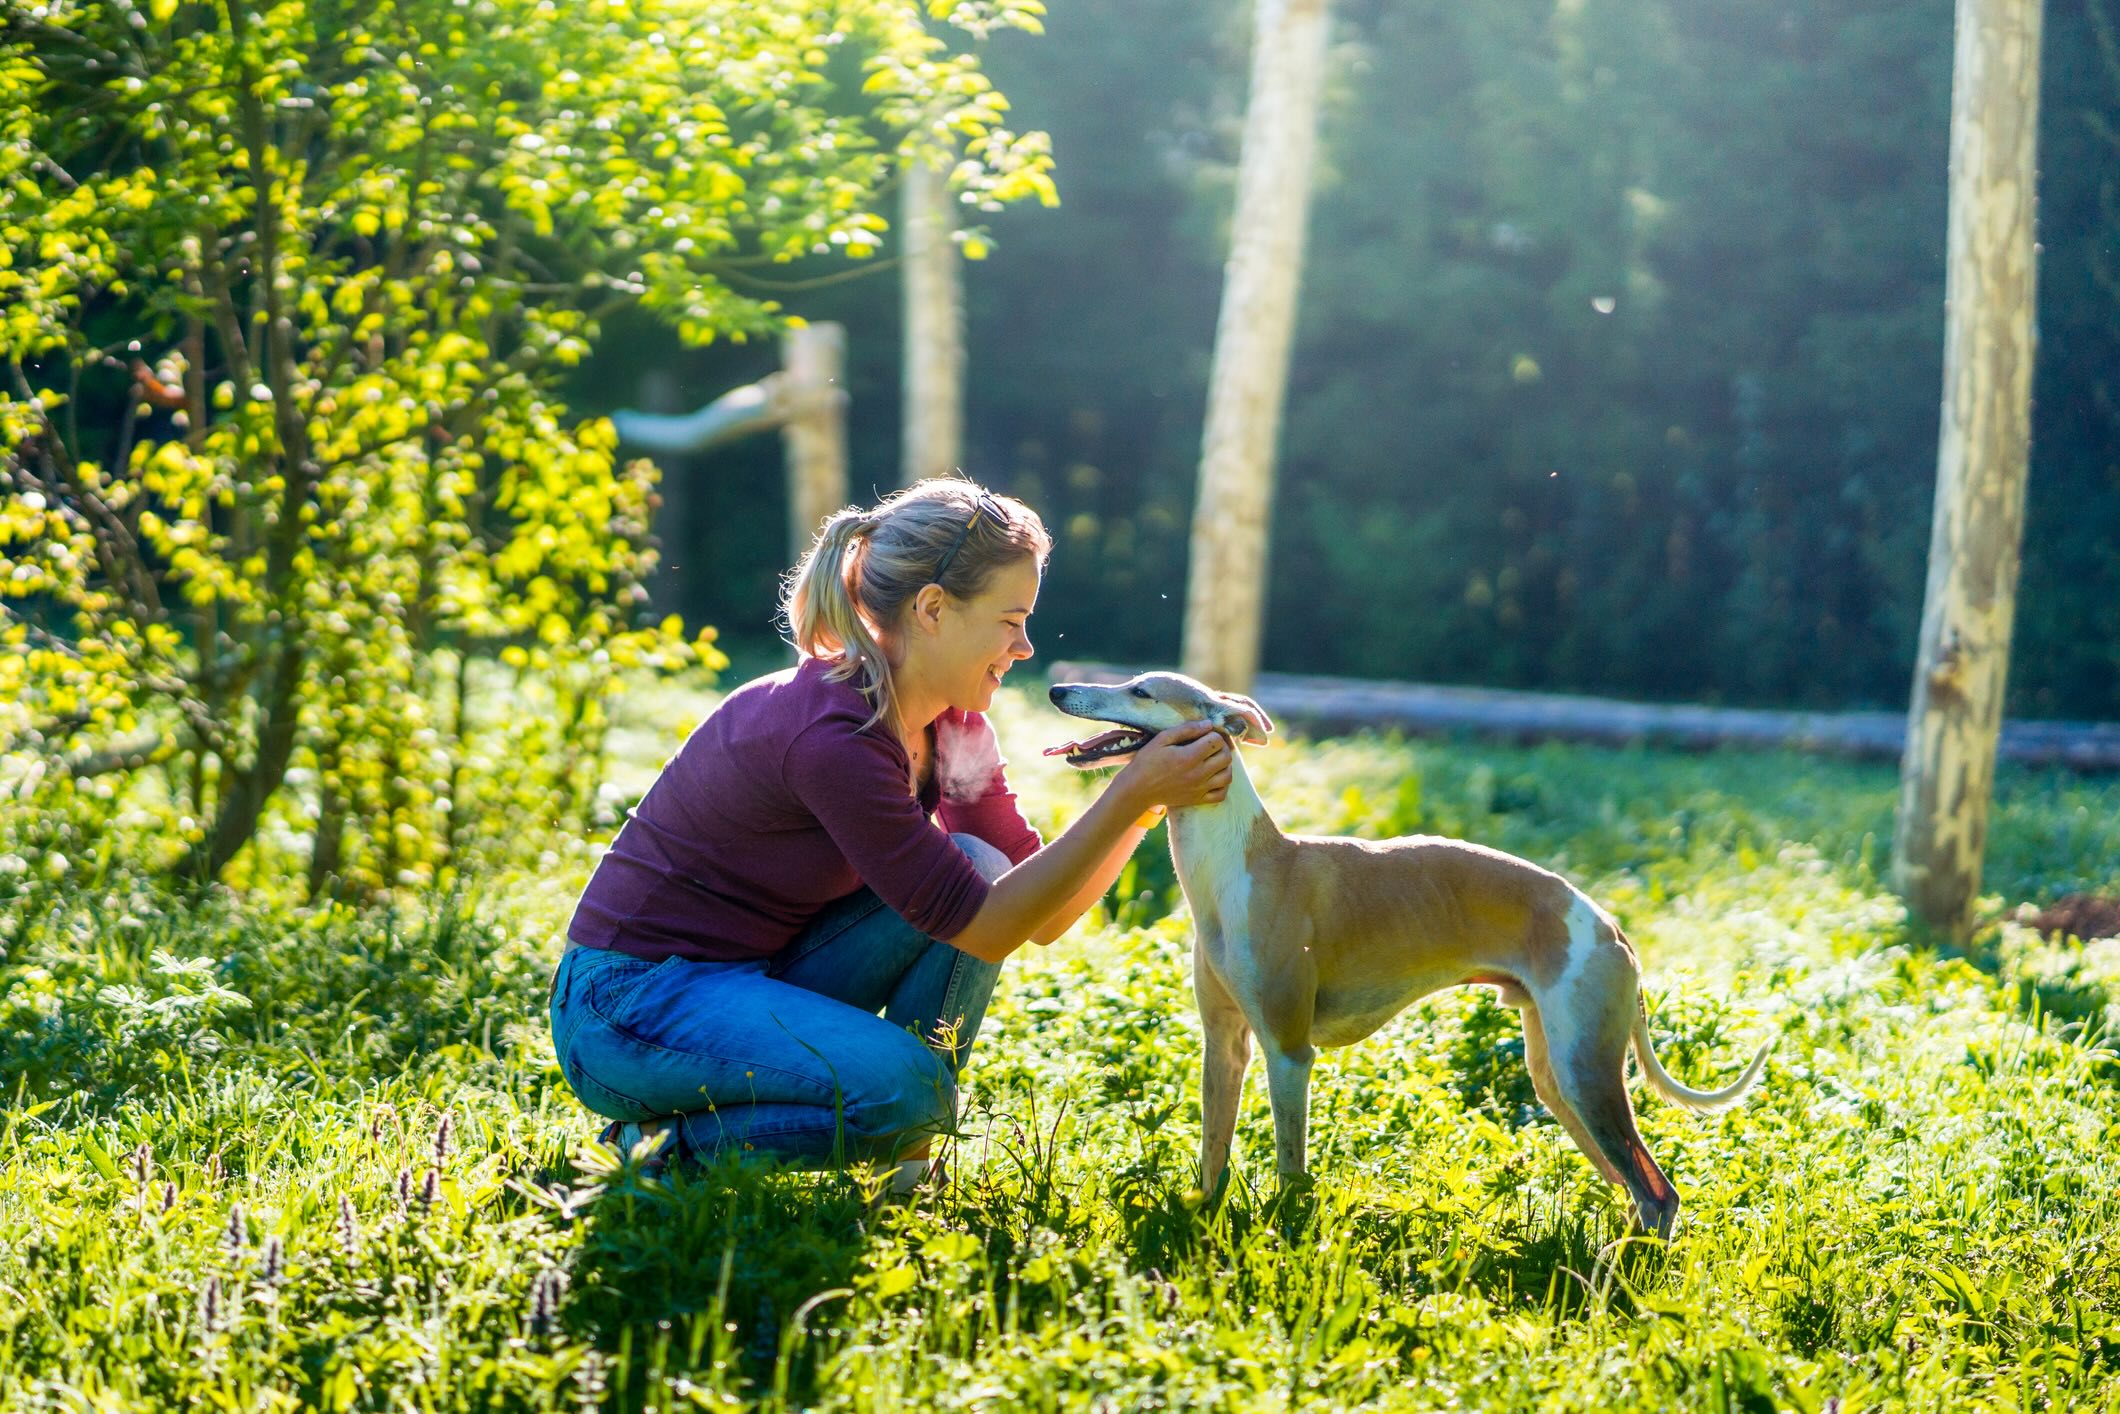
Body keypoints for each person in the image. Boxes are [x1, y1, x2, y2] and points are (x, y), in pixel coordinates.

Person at [546, 478, 1233, 1193]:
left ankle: (899, 1150)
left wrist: (1146, 804)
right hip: (630, 1005)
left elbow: (1041, 914)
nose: (1025, 646)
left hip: (751, 977)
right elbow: (992, 928)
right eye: (1010, 620)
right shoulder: (833, 732)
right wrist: (1131, 792)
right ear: (933, 608)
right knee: (913, 1094)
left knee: (978, 862)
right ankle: (653, 1150)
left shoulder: (955, 727)